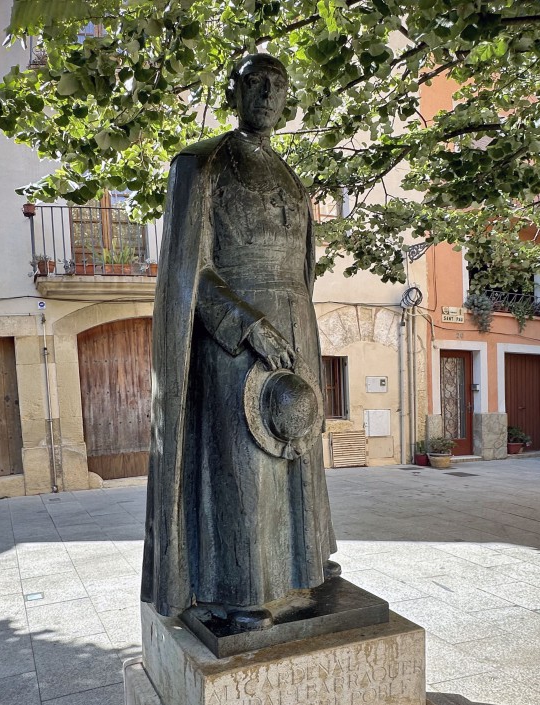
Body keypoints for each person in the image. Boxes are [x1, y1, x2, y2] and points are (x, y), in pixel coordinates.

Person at [141, 53, 337, 632]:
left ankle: (299, 571)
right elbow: (189, 276)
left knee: (297, 451)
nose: (269, 95)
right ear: (235, 90)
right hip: (235, 339)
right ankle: (244, 590)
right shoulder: (201, 165)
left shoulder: (290, 175)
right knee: (247, 469)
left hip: (296, 326)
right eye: (257, 83)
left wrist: (297, 327)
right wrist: (248, 323)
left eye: (279, 86)